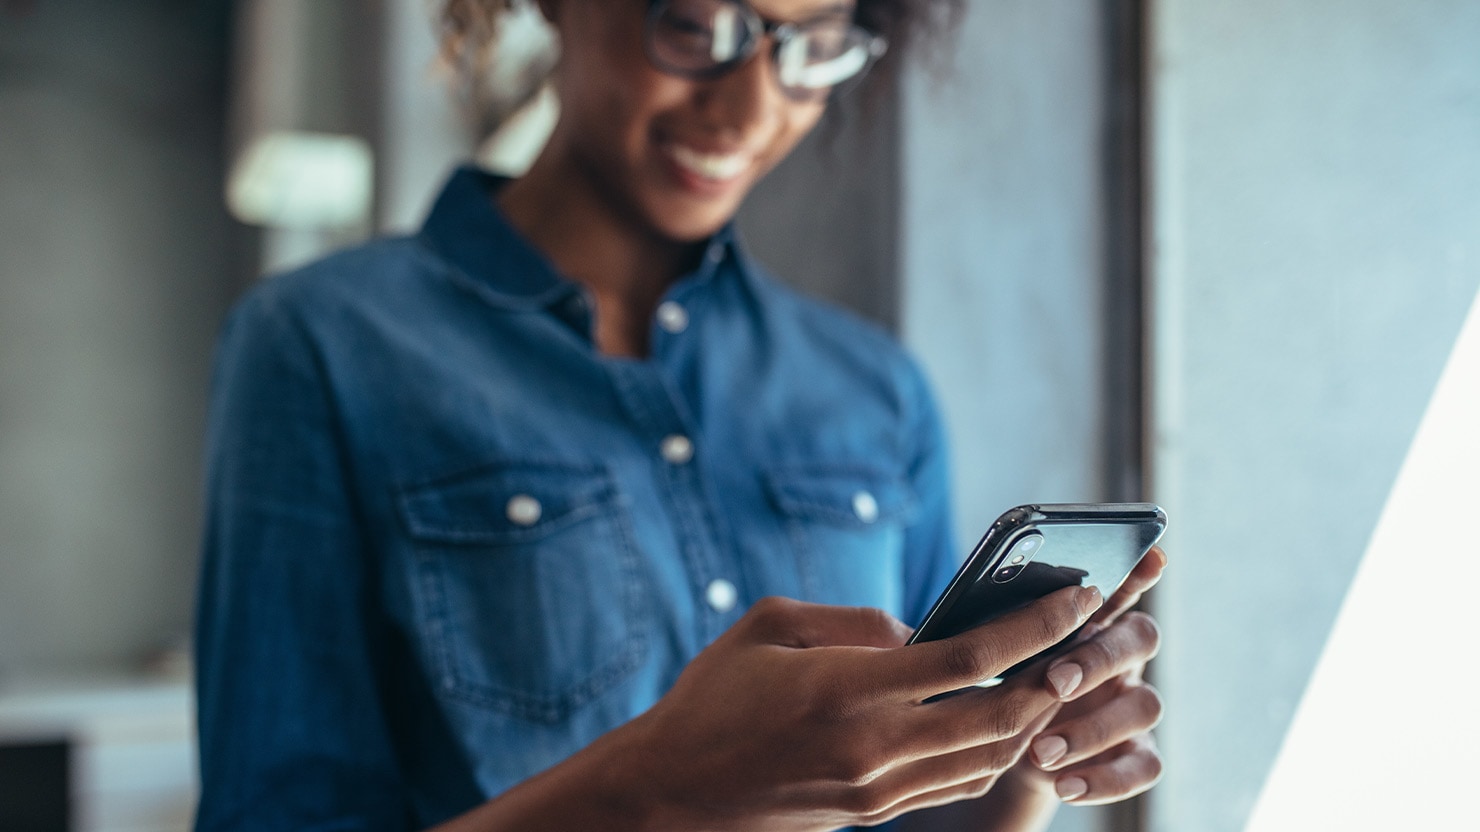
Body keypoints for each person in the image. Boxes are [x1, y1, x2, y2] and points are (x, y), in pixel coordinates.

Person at [193, 0, 1167, 829]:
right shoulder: (323, 345)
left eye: (810, 47)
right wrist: (656, 791)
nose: (750, 109)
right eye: (697, 28)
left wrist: (1010, 772)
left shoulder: (872, 387)